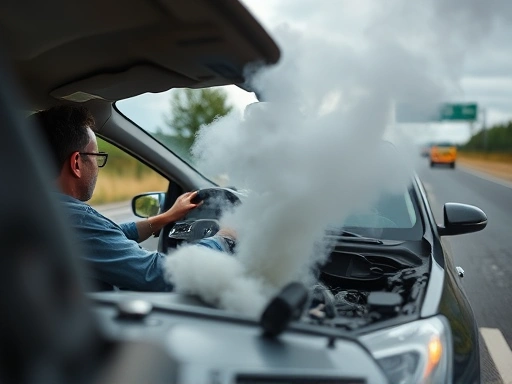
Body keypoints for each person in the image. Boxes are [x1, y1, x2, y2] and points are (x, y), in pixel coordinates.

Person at [32, 105, 234, 292]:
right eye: (96, 156)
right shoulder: (72, 218)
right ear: (76, 163)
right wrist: (224, 239)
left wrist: (164, 217)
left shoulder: (37, 209)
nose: (97, 168)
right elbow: (159, 275)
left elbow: (104, 237)